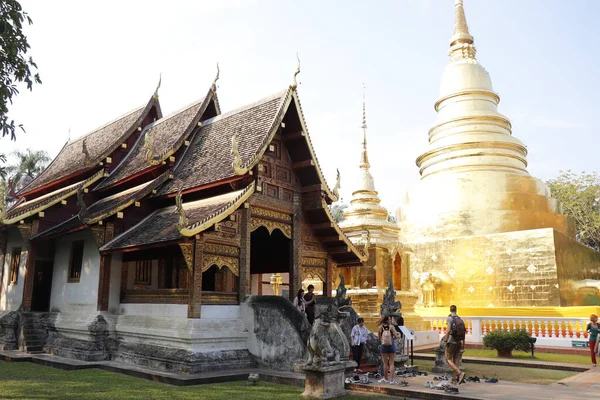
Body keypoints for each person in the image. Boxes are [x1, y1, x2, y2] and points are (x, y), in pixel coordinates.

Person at [444, 305, 466, 384]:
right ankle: (454, 379)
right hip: (458, 342)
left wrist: (446, 340)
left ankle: (460, 373)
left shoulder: (450, 318)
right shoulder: (460, 319)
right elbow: (463, 333)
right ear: (456, 310)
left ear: (450, 310)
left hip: (452, 341)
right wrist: (463, 344)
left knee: (448, 359)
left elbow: (448, 330)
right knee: (455, 360)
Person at [378, 315, 402, 384]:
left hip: (383, 346)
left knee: (385, 363)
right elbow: (396, 336)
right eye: (389, 319)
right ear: (387, 320)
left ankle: (385, 378)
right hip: (391, 346)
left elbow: (379, 337)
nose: (390, 320)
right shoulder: (391, 327)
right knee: (391, 363)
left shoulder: (380, 327)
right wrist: (398, 334)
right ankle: (392, 380)